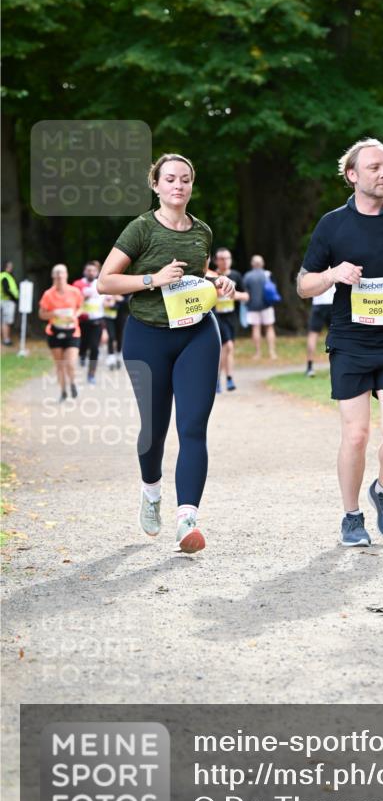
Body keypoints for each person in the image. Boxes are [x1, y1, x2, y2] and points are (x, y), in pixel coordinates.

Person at [297, 137, 383, 547]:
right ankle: (352, 517)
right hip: (350, 343)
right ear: (352, 175)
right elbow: (303, 285)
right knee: (356, 435)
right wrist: (332, 274)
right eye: (375, 167)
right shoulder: (333, 224)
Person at [98, 153, 236, 555]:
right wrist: (152, 279)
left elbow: (198, 275)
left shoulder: (202, 231)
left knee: (192, 427)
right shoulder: (141, 228)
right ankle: (151, 491)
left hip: (198, 334)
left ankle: (187, 520)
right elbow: (106, 282)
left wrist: (218, 281)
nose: (178, 185)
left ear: (192, 185)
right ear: (156, 185)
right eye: (170, 179)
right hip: (147, 338)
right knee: (154, 429)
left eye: (185, 179)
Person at [38, 264, 83, 401]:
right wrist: (53, 313)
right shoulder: (48, 294)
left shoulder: (74, 292)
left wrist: (75, 315)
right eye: (56, 273)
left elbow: (81, 307)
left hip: (72, 332)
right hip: (54, 332)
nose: (59, 275)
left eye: (61, 273)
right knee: (60, 364)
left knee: (70, 363)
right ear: (53, 276)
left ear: (66, 275)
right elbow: (41, 314)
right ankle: (63, 391)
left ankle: (73, 383)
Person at [208, 247, 248, 392]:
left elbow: (246, 296)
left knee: (228, 349)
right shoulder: (211, 276)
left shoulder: (236, 275)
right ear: (216, 261)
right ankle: (218, 379)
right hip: (216, 316)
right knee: (228, 346)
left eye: (227, 258)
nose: (225, 261)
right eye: (222, 258)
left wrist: (232, 294)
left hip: (231, 317)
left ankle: (228, 379)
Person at [73, 261, 105, 384]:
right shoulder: (78, 284)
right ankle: (82, 354)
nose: (91, 272)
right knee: (83, 344)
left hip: (97, 321)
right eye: (88, 270)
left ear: (97, 272)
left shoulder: (101, 284)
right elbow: (72, 301)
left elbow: (108, 299)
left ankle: (91, 374)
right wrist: (83, 298)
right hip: (81, 321)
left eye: (93, 270)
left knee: (94, 348)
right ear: (84, 272)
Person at [242, 255, 278, 360]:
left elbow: (245, 291)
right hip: (267, 305)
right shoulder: (268, 274)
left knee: (256, 328)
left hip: (252, 306)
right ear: (262, 264)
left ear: (252, 264)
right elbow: (274, 289)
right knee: (269, 328)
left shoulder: (247, 276)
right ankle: (272, 353)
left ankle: (258, 353)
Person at [305, 282, 335, 377]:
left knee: (313, 335)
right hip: (333, 302)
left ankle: (310, 368)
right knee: (334, 335)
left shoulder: (316, 270)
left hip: (318, 302)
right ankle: (333, 368)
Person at [0, 260, 19, 346]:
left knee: (3, 321)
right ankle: (6, 339)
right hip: (7, 301)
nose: (11, 268)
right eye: (9, 266)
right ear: (6, 267)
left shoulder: (4, 275)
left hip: (5, 300)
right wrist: (14, 298)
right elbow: (6, 289)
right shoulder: (5, 276)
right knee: (6, 321)